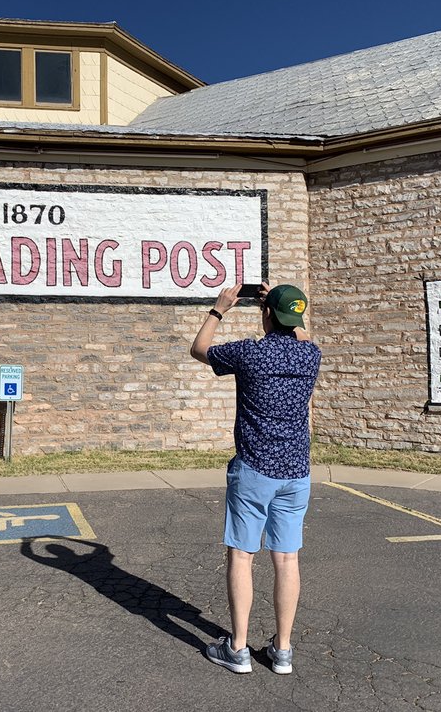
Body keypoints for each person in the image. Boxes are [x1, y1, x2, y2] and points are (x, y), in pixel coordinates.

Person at [189, 282, 322, 675]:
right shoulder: (310, 355)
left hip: (254, 470)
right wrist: (279, 306)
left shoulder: (249, 352)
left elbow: (199, 349)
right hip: (296, 471)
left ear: (266, 315)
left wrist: (219, 309)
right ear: (294, 318)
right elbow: (301, 333)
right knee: (286, 559)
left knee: (242, 556)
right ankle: (282, 651)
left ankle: (239, 648)